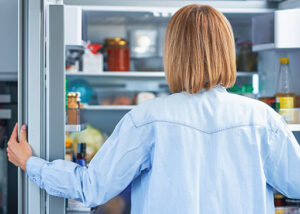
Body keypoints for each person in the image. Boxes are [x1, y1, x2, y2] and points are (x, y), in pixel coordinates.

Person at [7, 5, 300, 214]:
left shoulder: (147, 118)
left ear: (172, 53)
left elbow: (92, 188)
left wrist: (31, 163)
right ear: (227, 52)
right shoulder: (263, 118)